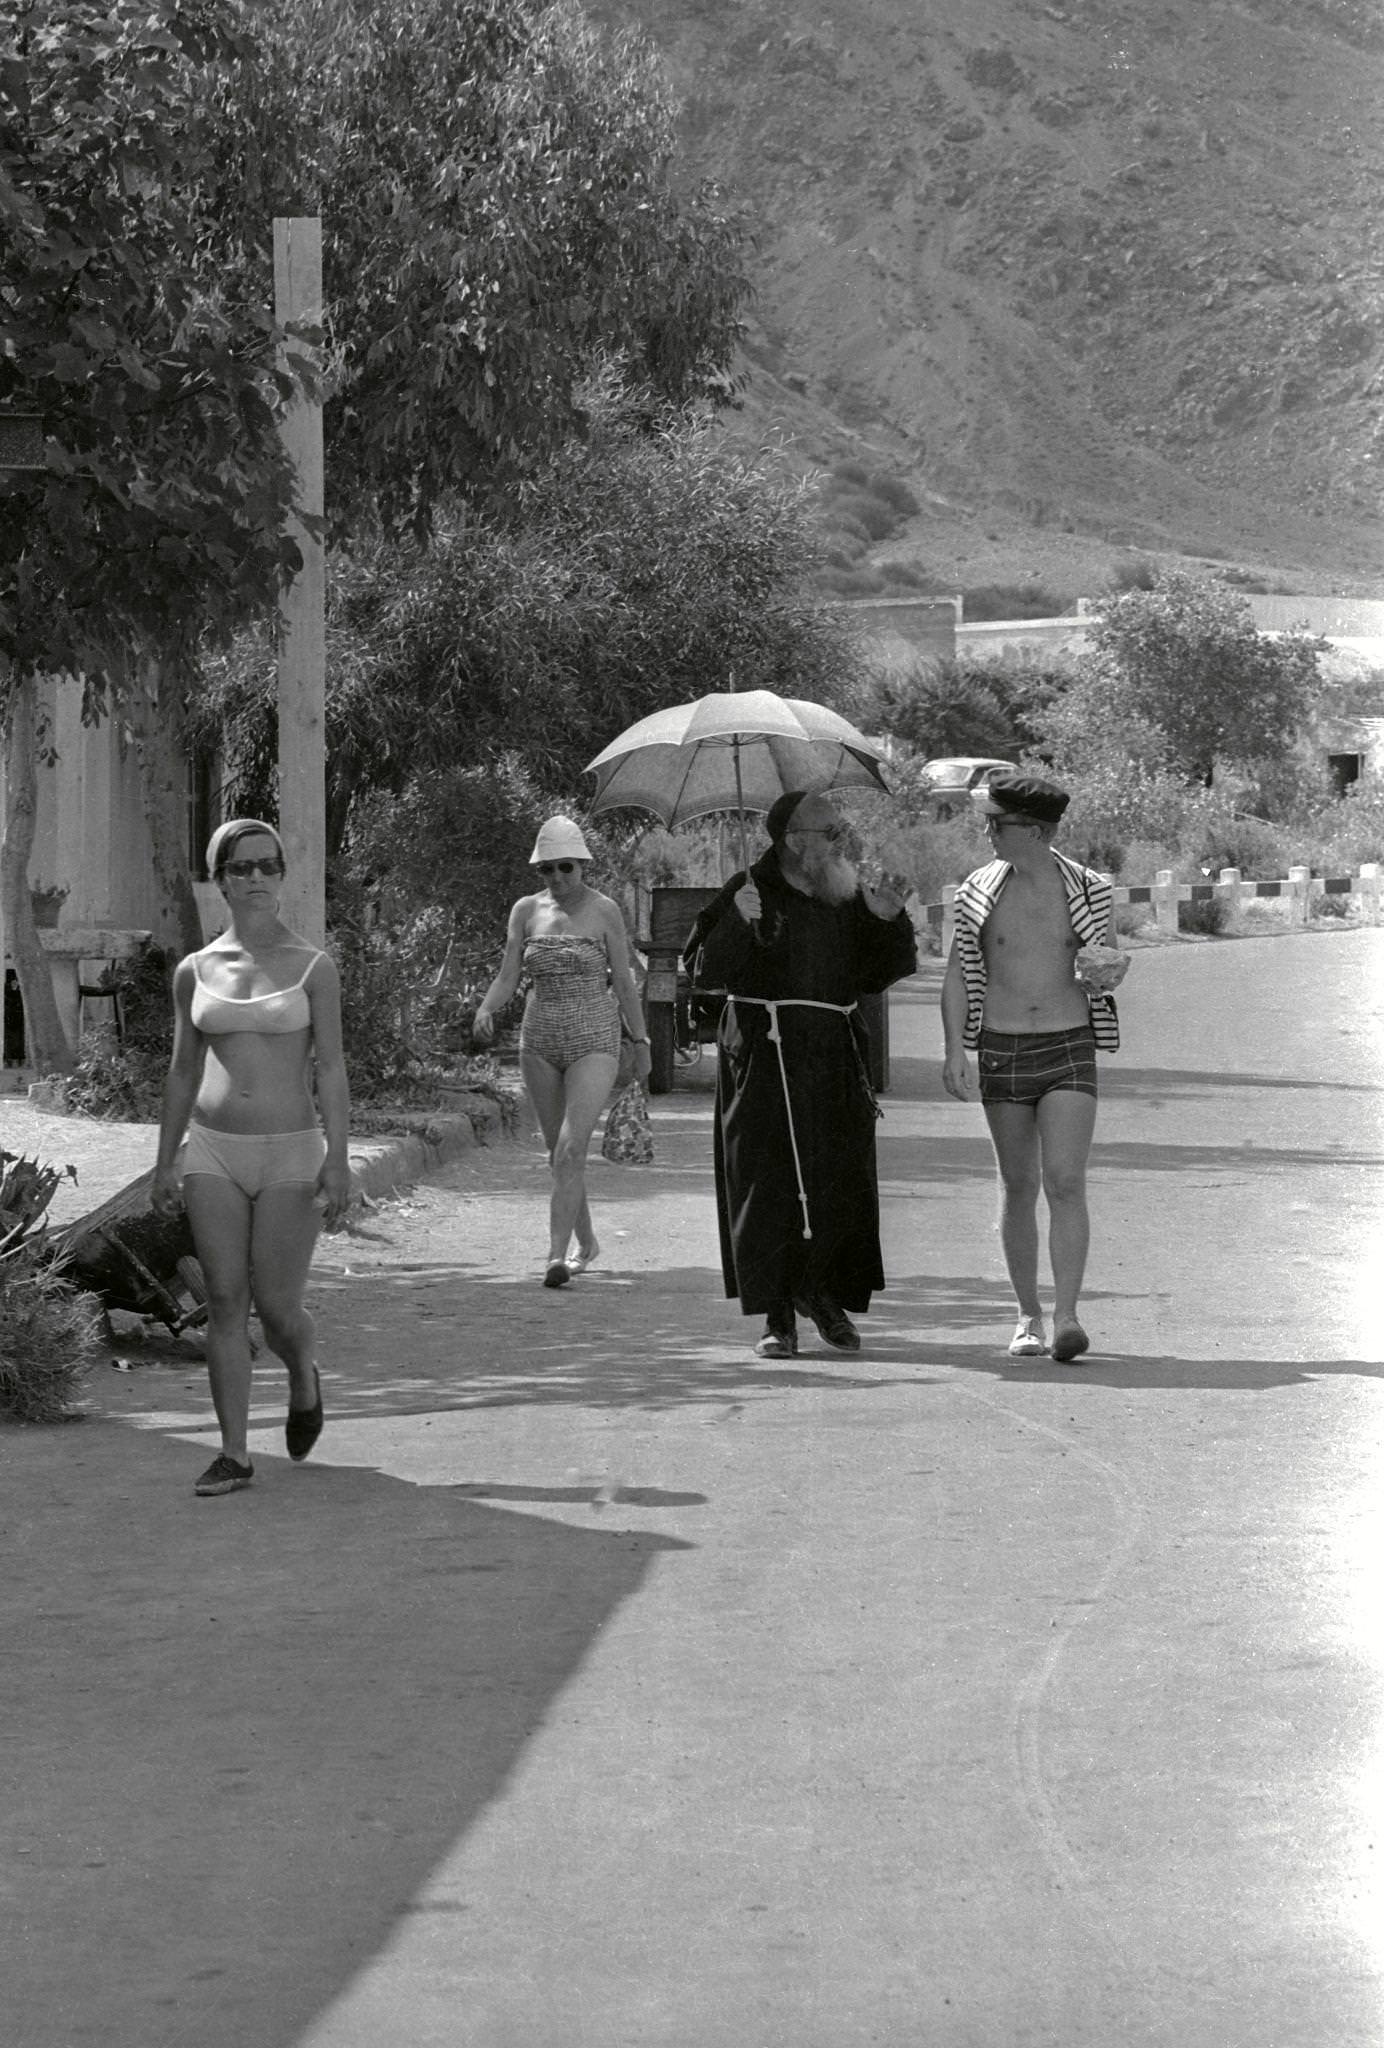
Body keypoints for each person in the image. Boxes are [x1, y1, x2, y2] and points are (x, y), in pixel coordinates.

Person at [152, 820, 352, 1496]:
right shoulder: (195, 971)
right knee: (226, 1299)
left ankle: (303, 1373)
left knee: (277, 1307)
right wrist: (163, 1162)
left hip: (291, 1152)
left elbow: (331, 1070)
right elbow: (182, 1072)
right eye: (241, 868)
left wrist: (339, 1159)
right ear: (221, 879)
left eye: (268, 865)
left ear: (282, 875)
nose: (256, 878)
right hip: (213, 1150)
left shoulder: (312, 967)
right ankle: (234, 1454)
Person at [682, 789, 917, 1358]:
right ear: (793, 842)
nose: (842, 840)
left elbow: (876, 974)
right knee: (768, 1184)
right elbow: (706, 970)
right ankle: (778, 1314)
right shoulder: (746, 892)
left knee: (838, 1177)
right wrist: (738, 925)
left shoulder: (844, 891)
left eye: (840, 830)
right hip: (763, 1052)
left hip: (834, 1053)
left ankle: (823, 1294)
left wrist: (886, 920)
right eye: (829, 832)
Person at [940, 769, 1120, 1365]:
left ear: (1037, 831)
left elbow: (1104, 960)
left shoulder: (1089, 888)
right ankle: (1027, 1316)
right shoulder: (977, 891)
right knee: (1019, 1184)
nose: (988, 832)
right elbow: (959, 976)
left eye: (999, 823)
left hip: (1069, 1043)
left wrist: (1107, 970)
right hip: (1002, 1047)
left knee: (1065, 1180)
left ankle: (1068, 1315)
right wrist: (953, 1051)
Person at [473, 816, 652, 1287]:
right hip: (540, 1039)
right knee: (558, 1153)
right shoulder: (525, 911)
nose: (557, 878)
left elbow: (625, 983)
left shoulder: (605, 910)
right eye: (547, 869)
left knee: (573, 1148)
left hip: (594, 1035)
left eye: (566, 867)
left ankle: (555, 1256)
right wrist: (487, 1008)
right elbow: (509, 973)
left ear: (584, 865)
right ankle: (587, 1242)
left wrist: (641, 1039)